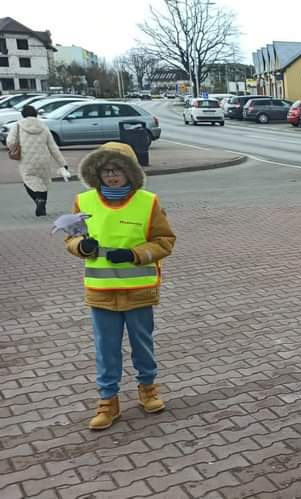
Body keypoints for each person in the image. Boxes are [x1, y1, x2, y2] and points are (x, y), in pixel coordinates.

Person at [64, 142, 175, 430]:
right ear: (96, 173)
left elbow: (165, 241)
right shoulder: (83, 201)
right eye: (106, 170)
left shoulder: (147, 201)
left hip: (139, 290)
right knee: (106, 348)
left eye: (118, 170)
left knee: (142, 344)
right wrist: (81, 246)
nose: (112, 176)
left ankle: (148, 389)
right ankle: (107, 401)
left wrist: (134, 254)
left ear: (130, 172)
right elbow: (71, 239)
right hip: (101, 292)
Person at [8, 105, 68, 216]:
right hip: (44, 160)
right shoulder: (44, 126)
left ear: (23, 114)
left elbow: (10, 141)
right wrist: (62, 163)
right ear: (36, 114)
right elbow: (53, 147)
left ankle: (38, 200)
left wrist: (17, 146)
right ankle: (42, 204)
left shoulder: (18, 126)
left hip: (26, 160)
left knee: (28, 181)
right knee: (43, 183)